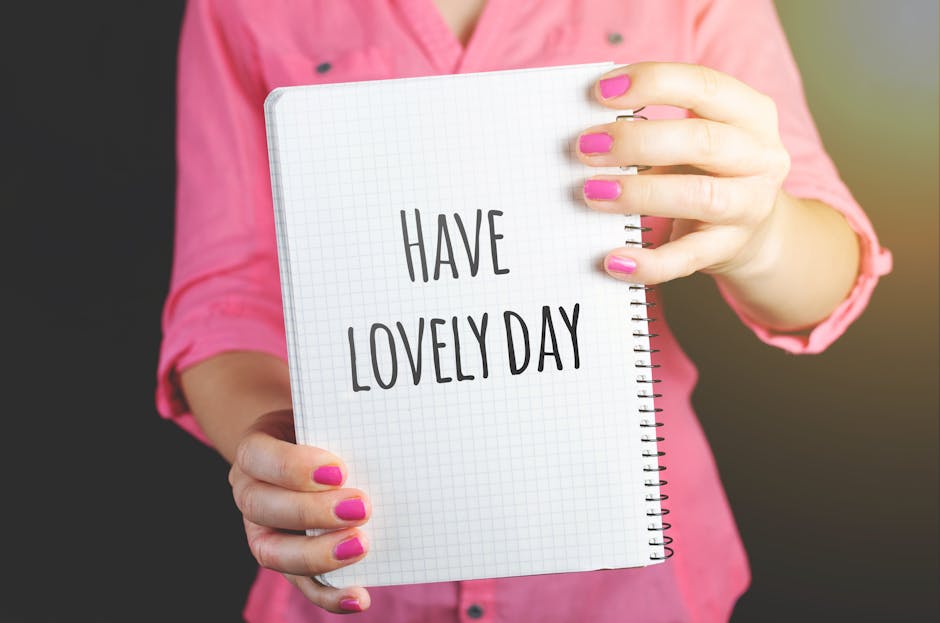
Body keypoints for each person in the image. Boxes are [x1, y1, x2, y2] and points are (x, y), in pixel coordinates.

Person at [156, 0, 892, 621]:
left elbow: (825, 268)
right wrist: (281, 462)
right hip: (365, 574)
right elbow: (224, 298)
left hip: (638, 585)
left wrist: (760, 233)